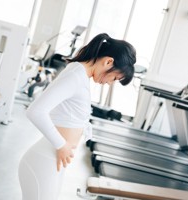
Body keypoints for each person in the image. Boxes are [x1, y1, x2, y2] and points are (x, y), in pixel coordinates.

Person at [18, 33, 136, 200]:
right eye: (115, 78)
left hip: (53, 161)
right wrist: (62, 145)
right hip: (44, 161)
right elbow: (35, 111)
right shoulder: (76, 75)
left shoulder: (80, 74)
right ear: (108, 62)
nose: (110, 83)